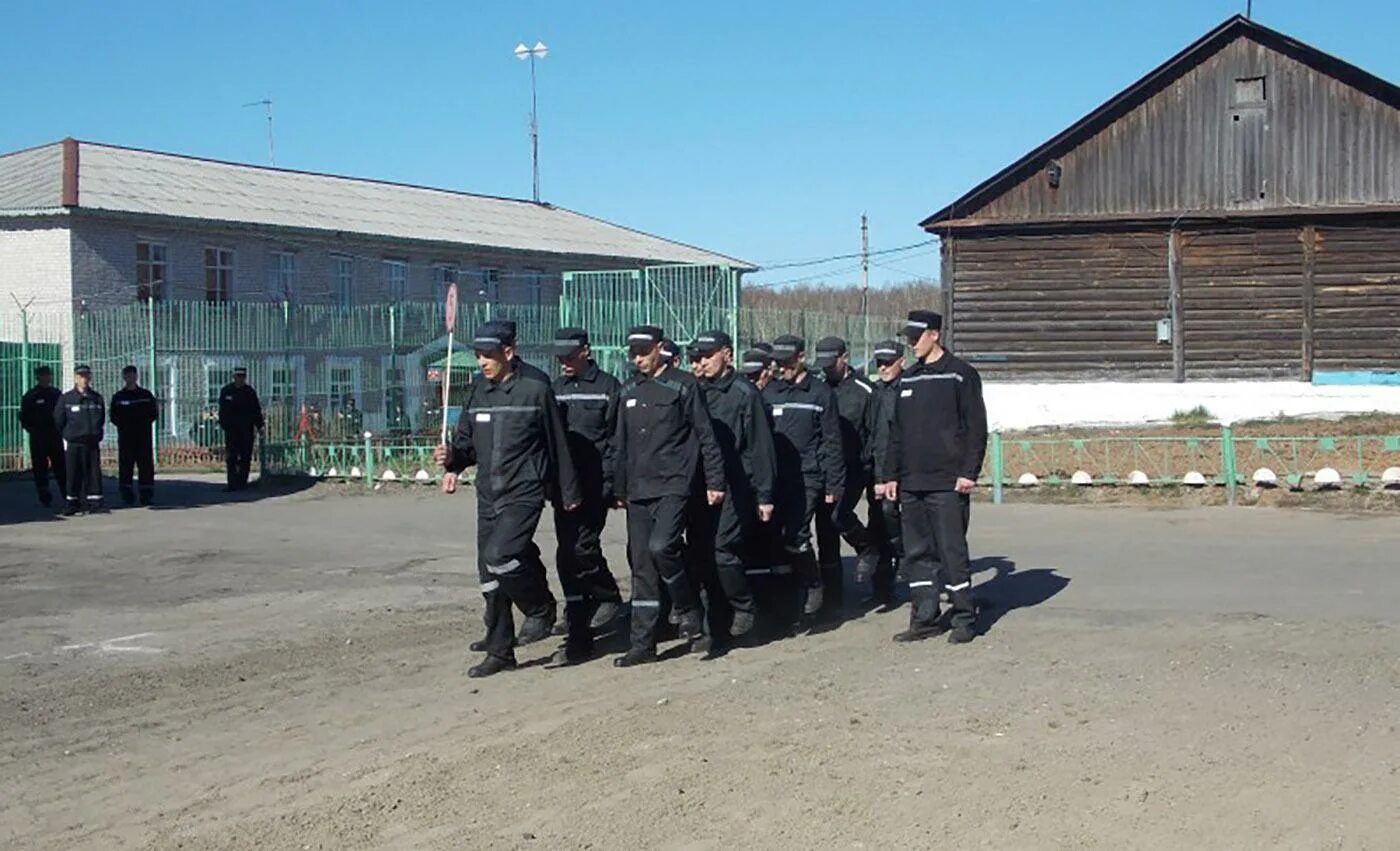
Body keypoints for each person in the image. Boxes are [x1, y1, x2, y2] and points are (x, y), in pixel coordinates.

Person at [435, 320, 582, 678]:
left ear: (508, 352)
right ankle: (500, 651)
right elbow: (468, 445)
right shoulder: (477, 392)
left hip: (524, 490)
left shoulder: (535, 388)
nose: (482, 361)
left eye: (488, 354)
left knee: (501, 555)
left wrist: (568, 490)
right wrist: (452, 457)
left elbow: (557, 442)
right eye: (478, 355)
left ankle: (540, 607)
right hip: (488, 492)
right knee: (489, 576)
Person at [612, 324, 725, 667]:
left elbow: (706, 436)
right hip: (638, 487)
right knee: (642, 565)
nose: (637, 359)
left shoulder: (683, 385)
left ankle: (688, 607)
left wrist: (714, 481)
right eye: (632, 353)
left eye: (643, 352)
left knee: (663, 547)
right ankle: (642, 644)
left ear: (659, 349)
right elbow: (621, 443)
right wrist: (618, 487)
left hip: (675, 484)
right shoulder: (628, 389)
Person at [878, 310, 988, 644]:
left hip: (947, 482)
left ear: (935, 334)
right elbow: (896, 433)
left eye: (916, 337)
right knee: (917, 554)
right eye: (908, 338)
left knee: (951, 551)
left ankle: (964, 617)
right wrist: (891, 475)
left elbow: (976, 428)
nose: (911, 344)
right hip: (911, 484)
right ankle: (924, 617)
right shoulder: (908, 378)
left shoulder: (961, 375)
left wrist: (968, 472)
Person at [688, 330, 776, 651]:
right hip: (700, 486)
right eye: (696, 358)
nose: (701, 363)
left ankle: (744, 605)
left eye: (707, 356)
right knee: (702, 557)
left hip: (737, 485)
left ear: (726, 354)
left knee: (724, 552)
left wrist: (764, 495)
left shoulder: (744, 394)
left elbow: (760, 448)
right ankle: (714, 628)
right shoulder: (693, 391)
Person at [547, 327, 626, 667]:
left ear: (586, 351)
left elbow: (616, 441)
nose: (564, 362)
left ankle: (607, 594)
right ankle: (577, 608)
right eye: (559, 357)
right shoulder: (555, 390)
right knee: (566, 554)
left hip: (595, 485)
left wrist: (613, 485)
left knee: (584, 546)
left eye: (569, 355)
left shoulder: (609, 388)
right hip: (565, 485)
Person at [762, 335, 845, 620]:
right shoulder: (769, 392)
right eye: (778, 363)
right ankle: (787, 597)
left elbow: (832, 441)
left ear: (800, 358)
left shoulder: (820, 393)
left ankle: (812, 582)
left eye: (786, 362)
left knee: (797, 534)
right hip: (775, 478)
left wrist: (834, 483)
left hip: (807, 477)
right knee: (774, 536)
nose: (782, 368)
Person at [812, 336, 882, 612]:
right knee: (825, 533)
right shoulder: (817, 388)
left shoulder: (865, 390)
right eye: (823, 365)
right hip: (824, 468)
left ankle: (867, 547)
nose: (828, 369)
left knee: (837, 515)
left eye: (832, 364)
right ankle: (832, 599)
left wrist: (877, 472)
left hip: (855, 467)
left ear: (844, 357)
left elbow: (876, 433)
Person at [866, 339, 906, 607]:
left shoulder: (907, 389)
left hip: (902, 469)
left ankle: (903, 555)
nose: (883, 368)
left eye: (888, 363)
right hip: (877, 468)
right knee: (878, 524)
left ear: (901, 362)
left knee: (893, 515)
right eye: (879, 363)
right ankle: (881, 589)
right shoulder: (875, 391)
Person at [54, 364, 106, 515]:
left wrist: (96, 433)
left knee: (93, 473)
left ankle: (95, 502)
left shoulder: (96, 398)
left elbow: (101, 418)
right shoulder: (67, 398)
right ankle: (72, 503)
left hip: (92, 442)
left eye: (86, 376)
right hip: (75, 442)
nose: (84, 379)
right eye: (81, 376)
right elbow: (58, 420)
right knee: (73, 473)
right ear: (76, 378)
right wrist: (69, 434)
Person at [109, 365, 158, 506]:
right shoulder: (119, 397)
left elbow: (153, 413)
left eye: (133, 375)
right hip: (126, 438)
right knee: (125, 466)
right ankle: (127, 495)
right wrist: (125, 426)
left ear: (137, 377)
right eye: (128, 376)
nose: (130, 378)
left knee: (146, 466)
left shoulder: (146, 395)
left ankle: (146, 495)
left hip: (143, 437)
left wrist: (142, 425)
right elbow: (114, 416)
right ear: (124, 378)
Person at [19, 365, 65, 507]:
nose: (46, 378)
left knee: (60, 464)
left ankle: (66, 492)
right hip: (38, 436)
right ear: (38, 378)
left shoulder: (56, 394)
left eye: (48, 375)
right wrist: (32, 429)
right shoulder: (31, 396)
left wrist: (60, 428)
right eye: (43, 375)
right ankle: (43, 492)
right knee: (40, 466)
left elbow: (63, 413)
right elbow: (24, 416)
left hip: (54, 435)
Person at [218, 367, 264, 492]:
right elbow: (222, 410)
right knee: (231, 457)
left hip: (246, 430)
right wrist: (224, 425)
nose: (240, 379)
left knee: (245, 456)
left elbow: (256, 410)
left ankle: (242, 482)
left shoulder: (249, 392)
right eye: (238, 376)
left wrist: (260, 426)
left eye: (242, 376)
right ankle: (232, 484)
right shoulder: (227, 391)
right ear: (234, 377)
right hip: (232, 430)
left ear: (245, 377)